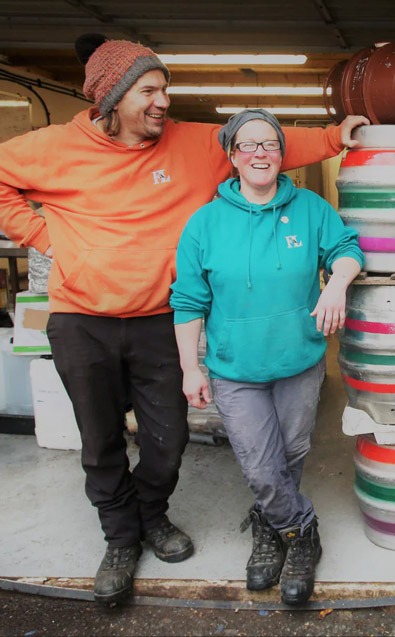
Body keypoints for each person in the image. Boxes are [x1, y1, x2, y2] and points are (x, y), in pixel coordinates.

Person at [0, 34, 367, 604]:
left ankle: (154, 517)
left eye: (164, 89)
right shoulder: (51, 148)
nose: (163, 101)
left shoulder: (194, 145)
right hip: (83, 319)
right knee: (99, 442)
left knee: (166, 442)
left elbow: (266, 145)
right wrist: (46, 238)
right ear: (113, 96)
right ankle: (122, 539)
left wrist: (332, 136)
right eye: (149, 90)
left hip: (156, 319)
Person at [170, 109, 363, 605]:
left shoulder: (311, 209)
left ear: (282, 154)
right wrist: (191, 368)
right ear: (232, 155)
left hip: (299, 361)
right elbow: (189, 302)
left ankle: (269, 524)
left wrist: (337, 281)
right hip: (236, 369)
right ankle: (301, 531)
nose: (260, 153)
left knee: (291, 454)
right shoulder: (205, 223)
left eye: (270, 145)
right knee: (259, 463)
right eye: (248, 145)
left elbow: (346, 247)